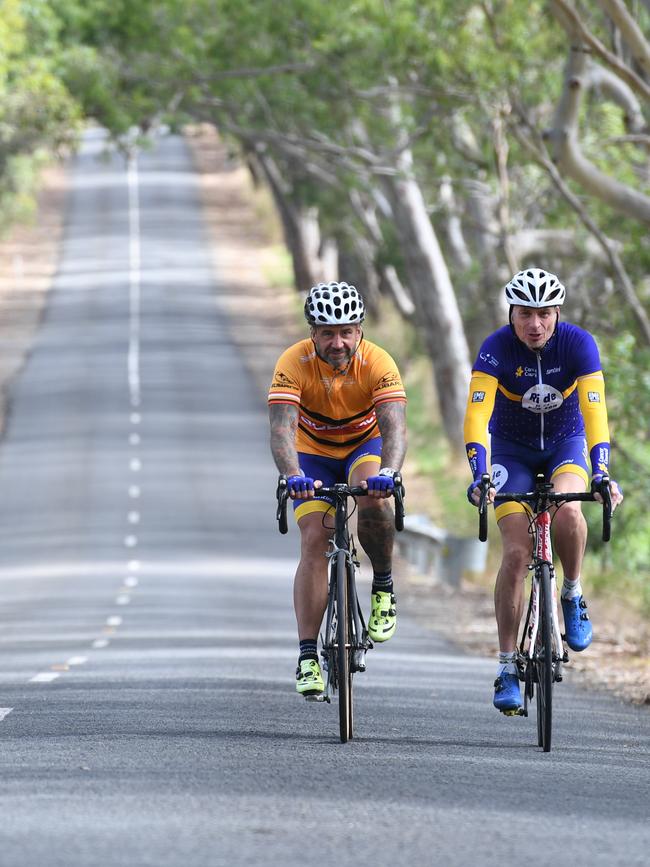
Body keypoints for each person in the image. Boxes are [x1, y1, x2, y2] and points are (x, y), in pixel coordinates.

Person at [463, 268, 623, 713]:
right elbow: (476, 418)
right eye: (526, 314)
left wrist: (603, 472)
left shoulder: (578, 344)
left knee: (570, 511)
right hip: (510, 453)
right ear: (511, 314)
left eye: (545, 314)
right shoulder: (495, 349)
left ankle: (571, 591)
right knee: (515, 553)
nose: (535, 324)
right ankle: (507, 665)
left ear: (558, 313)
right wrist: (478, 473)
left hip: (565, 445)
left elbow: (595, 414)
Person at [268, 281, 407, 698]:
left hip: (365, 446)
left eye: (346, 331)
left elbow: (395, 427)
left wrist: (390, 472)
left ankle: (383, 584)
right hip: (311, 453)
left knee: (374, 500)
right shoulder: (293, 362)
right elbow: (281, 429)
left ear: (359, 330)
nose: (338, 342)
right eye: (327, 332)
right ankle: (308, 655)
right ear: (313, 332)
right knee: (314, 538)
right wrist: (293, 475)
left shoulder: (378, 362)